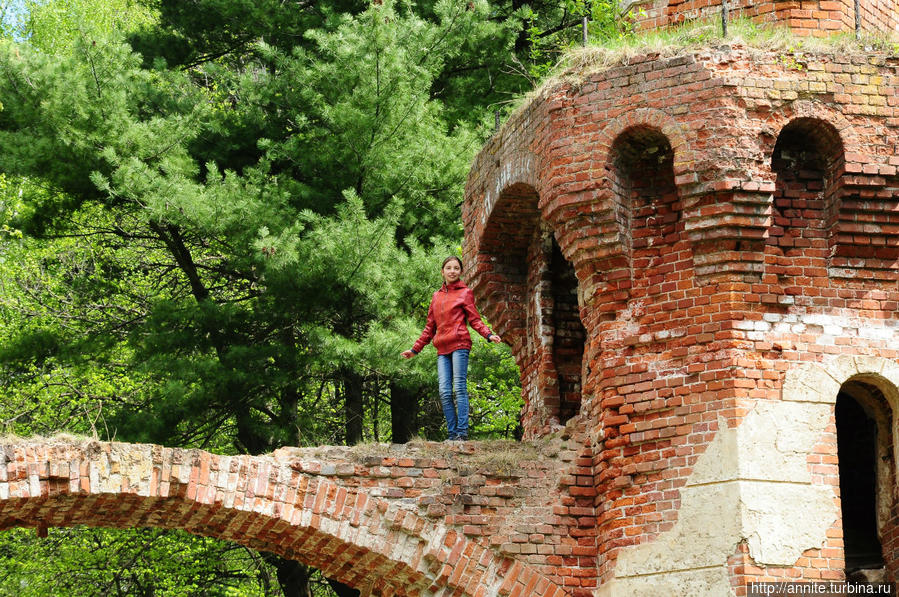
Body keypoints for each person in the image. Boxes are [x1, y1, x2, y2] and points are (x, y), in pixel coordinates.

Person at [402, 256, 502, 441]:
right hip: (442, 349)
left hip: (460, 345)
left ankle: (462, 433)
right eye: (448, 268)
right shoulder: (436, 296)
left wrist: (488, 335)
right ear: (442, 271)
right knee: (445, 392)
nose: (452, 271)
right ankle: (452, 434)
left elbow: (474, 319)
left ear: (460, 272)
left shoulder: (465, 293)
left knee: (459, 389)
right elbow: (429, 328)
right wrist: (415, 350)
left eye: (456, 268)